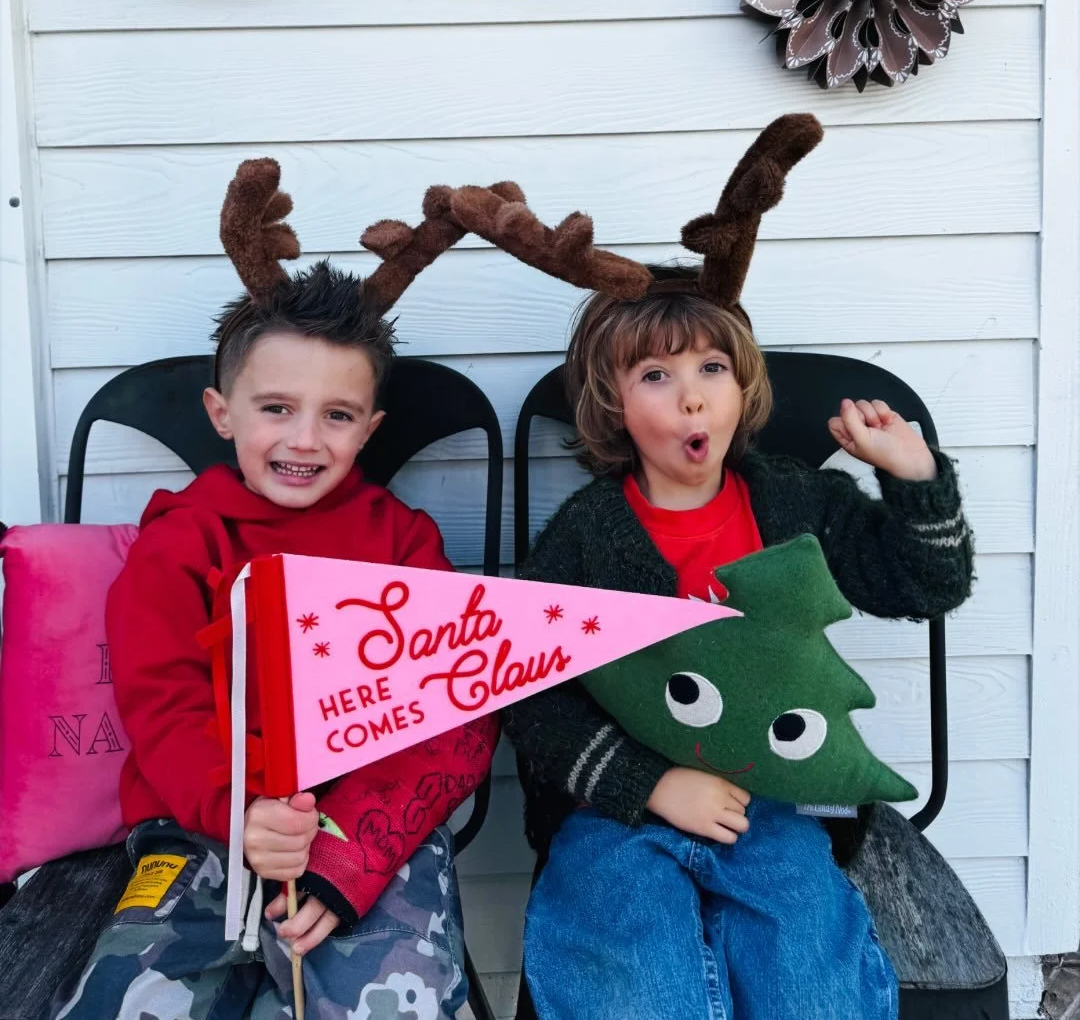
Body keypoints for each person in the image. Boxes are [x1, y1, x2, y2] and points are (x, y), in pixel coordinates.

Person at [442, 115, 975, 1020]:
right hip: (620, 811)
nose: (690, 391)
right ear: (611, 403)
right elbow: (527, 691)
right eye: (654, 374)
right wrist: (648, 784)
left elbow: (925, 586)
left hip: (772, 798)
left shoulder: (794, 504)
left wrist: (915, 481)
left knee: (805, 970)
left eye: (712, 366)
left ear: (742, 387)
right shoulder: (587, 537)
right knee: (635, 980)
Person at [57, 161, 497, 1020]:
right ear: (223, 413)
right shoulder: (181, 542)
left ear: (370, 429)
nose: (304, 438)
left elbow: (462, 709)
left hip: (369, 830)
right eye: (276, 409)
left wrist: (357, 857)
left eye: (337, 415)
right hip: (198, 825)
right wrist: (237, 815)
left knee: (388, 1004)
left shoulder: (403, 545)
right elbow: (162, 707)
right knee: (133, 1001)